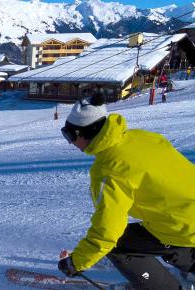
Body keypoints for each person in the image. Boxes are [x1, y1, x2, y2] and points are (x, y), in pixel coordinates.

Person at [57, 93, 195, 289]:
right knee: (161, 227)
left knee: (118, 245)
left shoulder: (109, 169)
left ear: (84, 133)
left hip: (183, 226)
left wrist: (75, 263)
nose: (69, 142)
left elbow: (106, 233)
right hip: (186, 213)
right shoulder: (140, 137)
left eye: (69, 135)